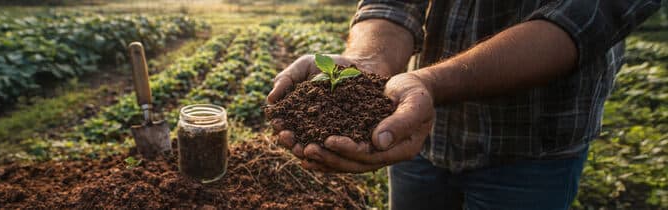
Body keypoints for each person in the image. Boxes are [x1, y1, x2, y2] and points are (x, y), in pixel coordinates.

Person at [267, 1, 662, 209]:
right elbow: (391, 3)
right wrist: (370, 63)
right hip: (416, 130)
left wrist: (429, 81)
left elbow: (581, 19)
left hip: (533, 148)